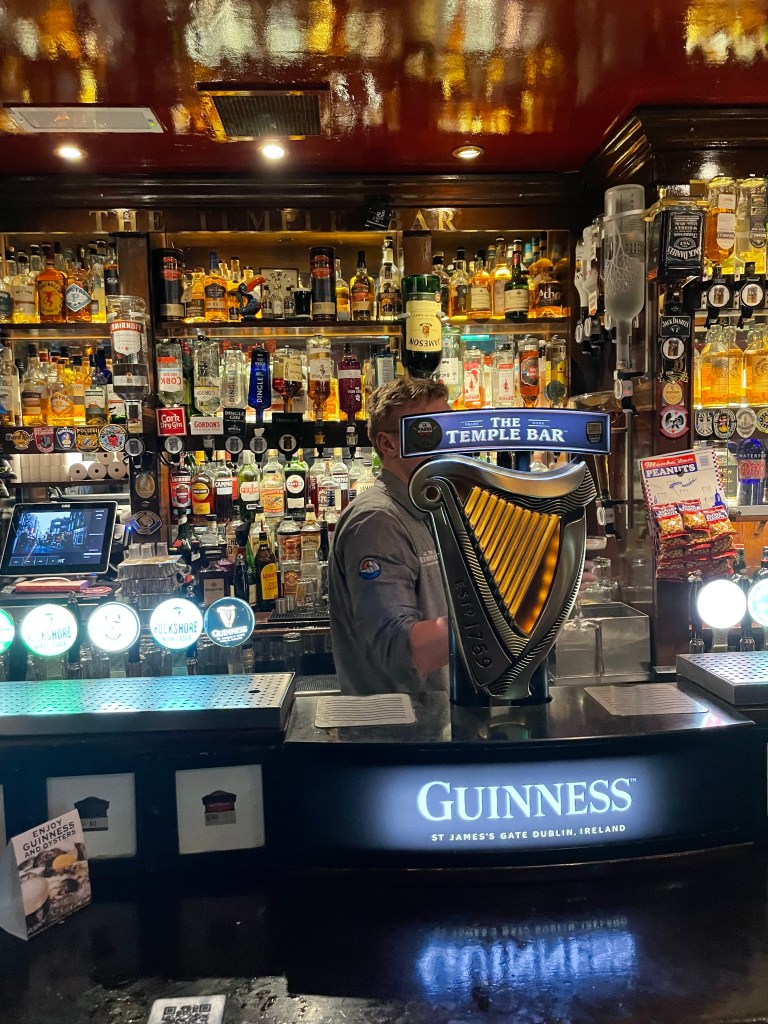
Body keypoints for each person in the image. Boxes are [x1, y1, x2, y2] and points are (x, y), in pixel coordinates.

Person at [329, 377, 452, 695]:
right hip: (399, 732)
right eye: (432, 432)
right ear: (388, 444)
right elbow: (404, 652)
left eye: (450, 431)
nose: (448, 444)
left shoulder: (428, 508)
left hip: (436, 723)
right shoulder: (377, 521)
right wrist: (518, 615)